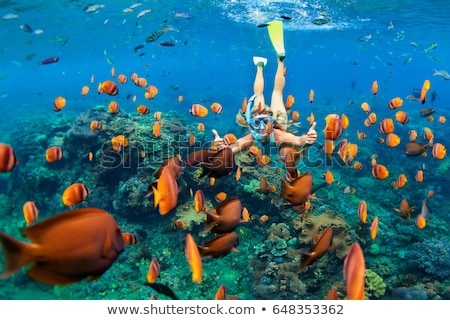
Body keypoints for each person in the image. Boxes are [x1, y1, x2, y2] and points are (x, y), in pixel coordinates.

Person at [212, 20, 317, 176]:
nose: (261, 127)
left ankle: (266, 64)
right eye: (257, 122)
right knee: (276, 94)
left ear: (271, 122)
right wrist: (222, 149)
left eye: (265, 122)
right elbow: (232, 148)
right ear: (251, 124)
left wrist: (306, 140)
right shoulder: (251, 138)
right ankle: (274, 61)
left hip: (278, 122)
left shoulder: (279, 135)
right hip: (277, 120)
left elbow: (298, 141)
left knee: (268, 94)